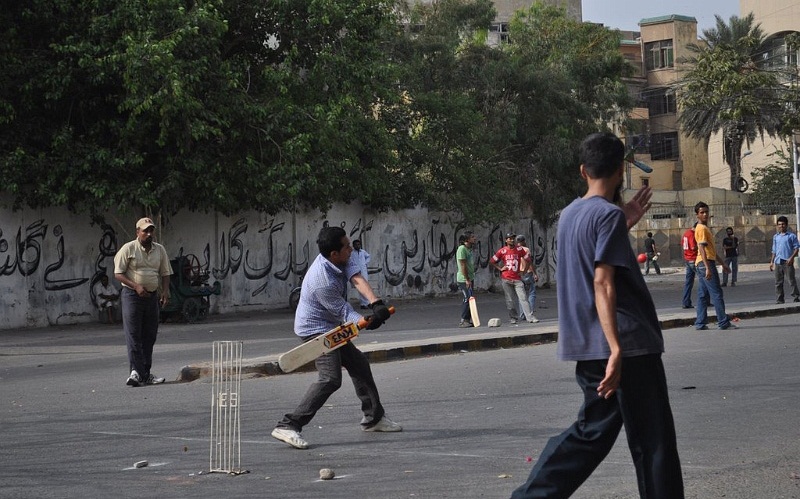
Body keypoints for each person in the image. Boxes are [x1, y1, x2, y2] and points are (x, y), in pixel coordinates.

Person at [511, 132, 683, 498]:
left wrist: (624, 223)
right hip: (627, 347)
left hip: (588, 345)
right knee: (653, 441)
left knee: (591, 433)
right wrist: (617, 350)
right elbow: (603, 284)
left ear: (583, 171)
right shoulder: (606, 216)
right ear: (620, 171)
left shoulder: (570, 214)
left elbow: (589, 261)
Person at [271, 226, 398, 450]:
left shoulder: (342, 258)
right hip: (315, 330)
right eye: (347, 246)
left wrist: (376, 303)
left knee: (359, 364)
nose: (351, 248)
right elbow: (345, 312)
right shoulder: (322, 280)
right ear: (334, 254)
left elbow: (357, 278)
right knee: (331, 378)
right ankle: (288, 425)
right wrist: (368, 321)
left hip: (331, 325)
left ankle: (374, 418)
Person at [114, 217, 173, 387]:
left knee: (149, 335)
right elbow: (118, 273)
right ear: (137, 232)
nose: (148, 234)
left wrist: (165, 291)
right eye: (145, 230)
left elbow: (165, 272)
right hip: (132, 296)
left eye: (150, 230)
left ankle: (145, 373)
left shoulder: (159, 250)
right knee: (134, 334)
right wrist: (136, 285)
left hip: (151, 296)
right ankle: (135, 372)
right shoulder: (128, 248)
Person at [693, 202, 732, 330]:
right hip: (705, 263)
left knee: (703, 295)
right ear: (697, 215)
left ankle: (700, 322)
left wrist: (723, 264)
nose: (705, 214)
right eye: (702, 212)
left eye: (706, 212)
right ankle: (723, 322)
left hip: (704, 262)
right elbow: (702, 249)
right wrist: (708, 268)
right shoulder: (702, 229)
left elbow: (711, 251)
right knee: (716, 293)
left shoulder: (704, 228)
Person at [490, 233, 536, 325]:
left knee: (523, 297)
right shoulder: (502, 251)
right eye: (509, 239)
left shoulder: (520, 249)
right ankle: (513, 318)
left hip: (517, 279)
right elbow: (492, 261)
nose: (512, 240)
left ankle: (530, 317)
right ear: (506, 240)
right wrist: (500, 268)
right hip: (506, 278)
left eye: (513, 238)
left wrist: (524, 271)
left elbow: (528, 260)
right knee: (510, 300)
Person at [769, 216, 800, 304]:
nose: (781, 226)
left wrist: (791, 257)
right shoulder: (776, 237)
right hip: (778, 262)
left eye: (783, 224)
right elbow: (774, 250)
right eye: (779, 224)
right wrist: (772, 262)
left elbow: (796, 248)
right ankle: (780, 299)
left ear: (786, 225)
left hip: (787, 261)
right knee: (778, 282)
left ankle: (796, 296)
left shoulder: (791, 236)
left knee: (791, 280)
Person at [515, 235, 539, 323]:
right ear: (523, 241)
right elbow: (529, 262)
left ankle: (522, 314)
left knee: (521, 295)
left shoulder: (514, 250)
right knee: (532, 293)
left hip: (519, 274)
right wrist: (535, 273)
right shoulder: (526, 249)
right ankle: (530, 312)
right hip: (527, 273)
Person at [456, 231, 477, 328]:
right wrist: (467, 279)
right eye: (472, 237)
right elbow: (463, 265)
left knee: (471, 299)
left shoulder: (469, 249)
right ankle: (463, 320)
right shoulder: (462, 249)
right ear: (466, 240)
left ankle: (468, 320)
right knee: (467, 298)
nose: (474, 238)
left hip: (470, 278)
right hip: (463, 279)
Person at [681, 223, 698, 309]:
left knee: (688, 282)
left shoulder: (686, 233)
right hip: (693, 258)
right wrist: (701, 245)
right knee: (705, 279)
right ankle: (705, 301)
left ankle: (686, 302)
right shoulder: (692, 234)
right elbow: (693, 247)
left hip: (687, 258)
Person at [351, 239, 371, 309]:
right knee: (361, 288)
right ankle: (363, 304)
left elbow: (368, 257)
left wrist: (365, 263)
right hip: (357, 272)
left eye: (359, 244)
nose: (358, 246)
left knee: (366, 287)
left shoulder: (363, 252)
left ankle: (368, 302)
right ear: (353, 246)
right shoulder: (352, 253)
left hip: (363, 271)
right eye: (356, 244)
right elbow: (350, 261)